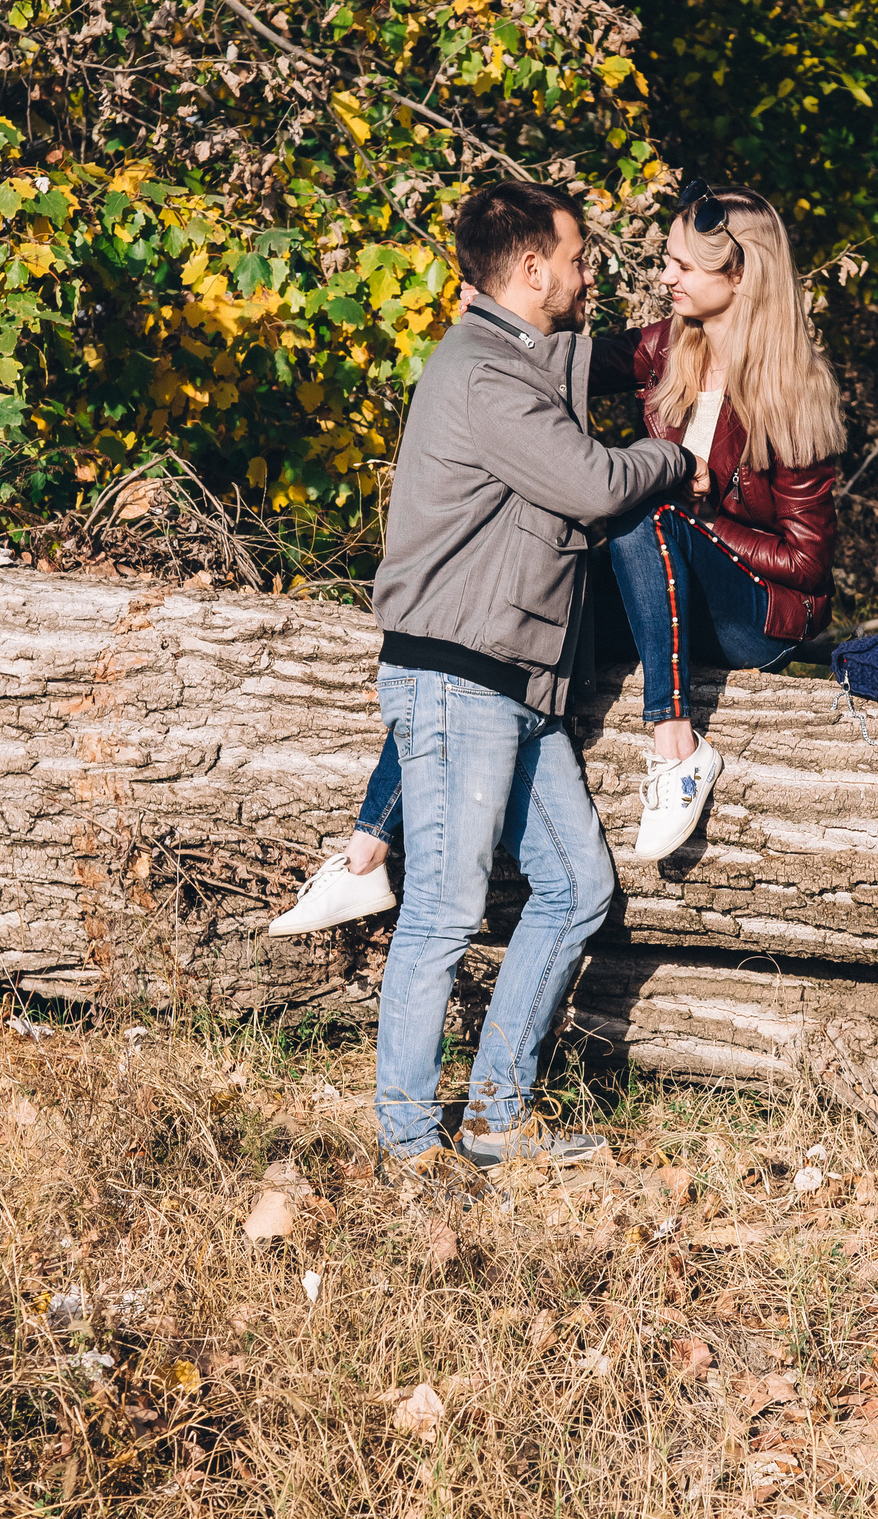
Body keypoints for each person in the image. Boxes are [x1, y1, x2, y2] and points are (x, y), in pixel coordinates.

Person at [271, 179, 843, 931]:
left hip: (755, 612)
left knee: (643, 505)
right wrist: (484, 322)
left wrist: (691, 519)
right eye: (666, 261)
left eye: (681, 267)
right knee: (484, 630)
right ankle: (366, 855)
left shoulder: (795, 391)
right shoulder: (667, 346)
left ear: (739, 276)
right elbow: (547, 357)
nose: (663, 278)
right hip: (662, 577)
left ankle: (676, 748)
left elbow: (806, 566)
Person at [358, 180, 698, 1169]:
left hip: (515, 679)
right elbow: (590, 484)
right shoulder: (483, 375)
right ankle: (409, 1140)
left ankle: (498, 1114)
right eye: (580, 257)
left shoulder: (516, 356)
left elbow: (574, 366)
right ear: (533, 268)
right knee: (444, 911)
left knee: (577, 887)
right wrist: (672, 461)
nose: (592, 272)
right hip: (460, 676)